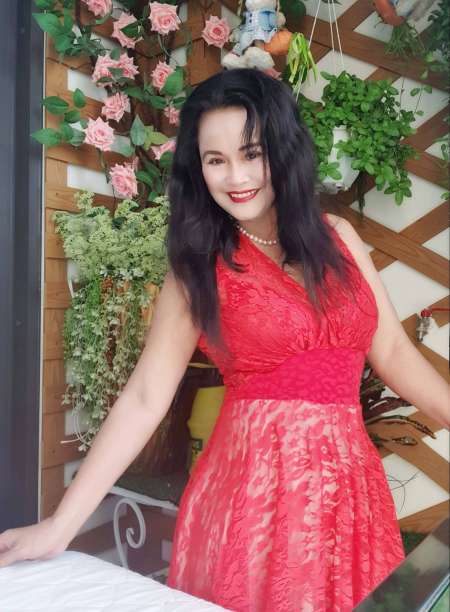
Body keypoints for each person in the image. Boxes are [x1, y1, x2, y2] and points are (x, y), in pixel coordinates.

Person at [0, 69, 448, 612]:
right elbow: (145, 397)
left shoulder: (339, 238)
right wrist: (61, 525)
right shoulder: (198, 266)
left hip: (350, 494)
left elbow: (394, 352)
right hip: (253, 501)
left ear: (283, 150)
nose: (236, 177)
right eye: (216, 160)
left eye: (252, 153)